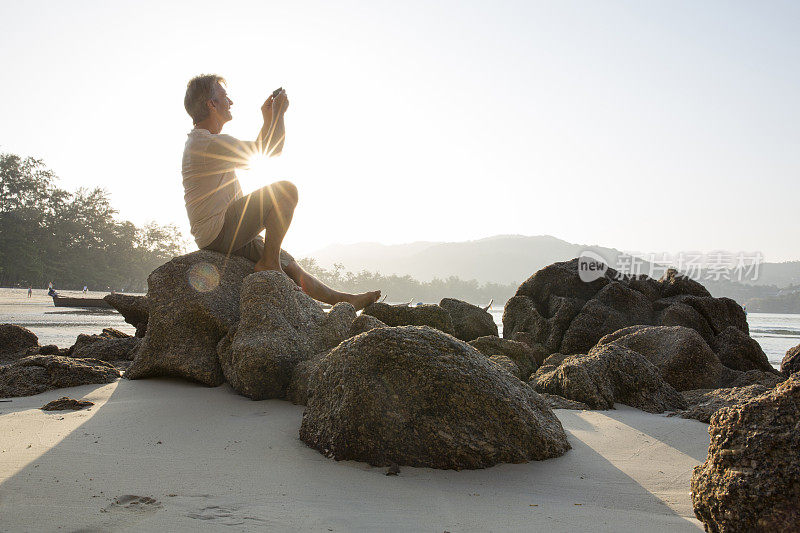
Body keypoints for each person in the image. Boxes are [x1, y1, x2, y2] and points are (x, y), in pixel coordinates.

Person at [182, 75, 380, 310]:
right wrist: (279, 114)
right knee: (285, 191)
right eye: (224, 96)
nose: (231, 101)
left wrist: (269, 118)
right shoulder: (207, 144)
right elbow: (269, 150)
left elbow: (264, 148)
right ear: (211, 104)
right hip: (220, 231)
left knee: (290, 265)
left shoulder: (207, 142)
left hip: (223, 232)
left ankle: (343, 300)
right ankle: (269, 263)